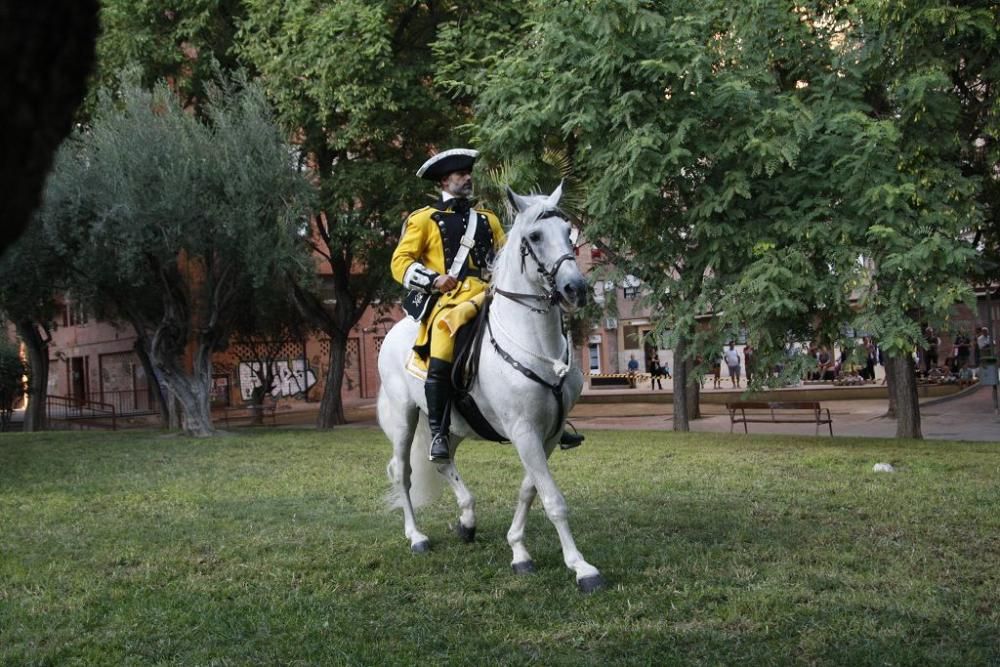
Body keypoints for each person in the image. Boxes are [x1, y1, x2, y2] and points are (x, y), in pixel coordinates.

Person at [391, 148, 583, 462]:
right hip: (449, 303)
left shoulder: (487, 220)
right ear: (444, 180)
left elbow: (510, 258)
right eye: (460, 174)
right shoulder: (423, 220)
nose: (467, 178)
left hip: (489, 294)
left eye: (469, 173)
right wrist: (433, 279)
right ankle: (439, 432)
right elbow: (400, 263)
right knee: (441, 343)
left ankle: (555, 421)